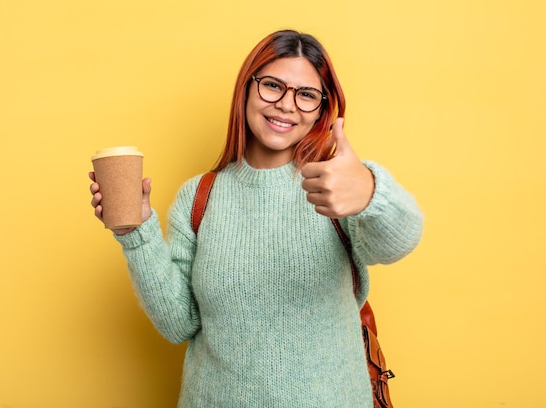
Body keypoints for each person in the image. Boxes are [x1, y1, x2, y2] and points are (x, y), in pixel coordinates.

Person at [89, 30, 423, 408]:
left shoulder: (337, 185)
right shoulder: (200, 195)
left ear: (321, 108)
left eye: (306, 94)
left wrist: (370, 191)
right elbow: (178, 324)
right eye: (272, 86)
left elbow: (401, 240)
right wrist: (136, 233)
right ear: (246, 89)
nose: (286, 105)